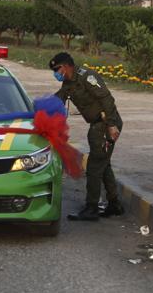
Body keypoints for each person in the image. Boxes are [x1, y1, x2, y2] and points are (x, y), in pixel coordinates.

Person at [49, 52, 124, 221]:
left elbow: (107, 99)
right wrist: (41, 108)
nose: (55, 73)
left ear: (65, 66)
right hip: (97, 125)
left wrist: (112, 125)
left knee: (94, 166)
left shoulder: (87, 76)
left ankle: (91, 208)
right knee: (103, 165)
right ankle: (114, 204)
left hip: (105, 125)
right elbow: (59, 98)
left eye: (56, 69)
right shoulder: (69, 83)